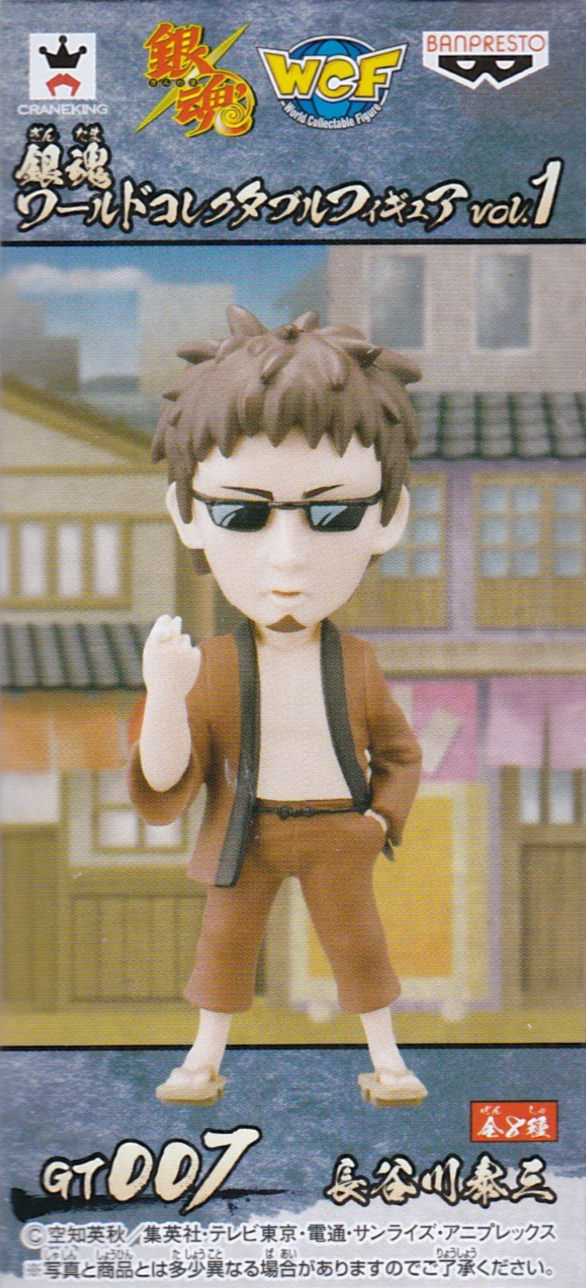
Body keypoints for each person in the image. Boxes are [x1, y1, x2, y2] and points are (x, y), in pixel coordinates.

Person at [128, 305, 426, 1107]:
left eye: (333, 513)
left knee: (359, 948)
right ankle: (202, 1060)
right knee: (224, 948)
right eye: (241, 512)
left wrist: (379, 820)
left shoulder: (356, 663)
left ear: (388, 519)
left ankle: (389, 1061)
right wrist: (166, 694)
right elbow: (170, 777)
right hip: (245, 830)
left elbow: (401, 754)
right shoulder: (212, 666)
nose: (287, 560)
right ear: (187, 514)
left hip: (338, 829)